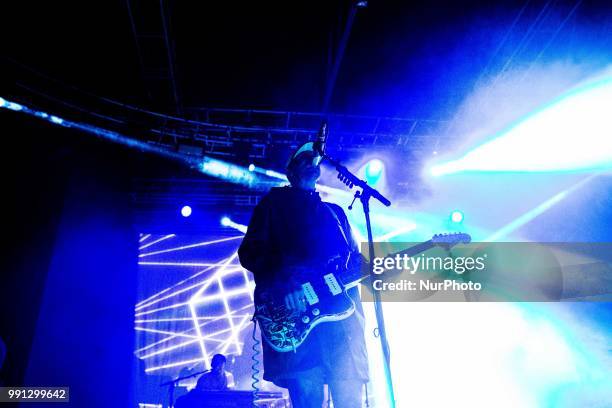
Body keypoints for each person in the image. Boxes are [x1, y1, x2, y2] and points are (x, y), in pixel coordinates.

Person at [238, 142, 368, 408]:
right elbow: (250, 253)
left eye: (315, 160)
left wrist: (376, 270)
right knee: (308, 399)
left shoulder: (335, 213)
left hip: (342, 328)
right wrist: (287, 283)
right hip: (299, 327)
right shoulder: (271, 207)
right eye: (303, 159)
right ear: (290, 170)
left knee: (350, 399)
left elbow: (353, 262)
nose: (312, 163)